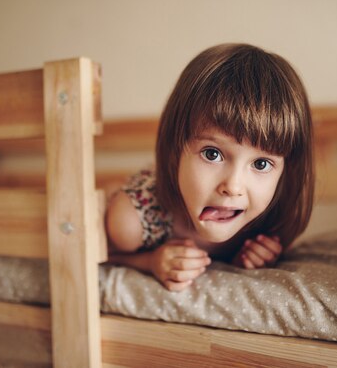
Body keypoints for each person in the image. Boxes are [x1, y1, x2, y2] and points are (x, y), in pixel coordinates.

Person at [106, 43, 314, 291]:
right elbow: (96, 254)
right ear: (175, 147)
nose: (233, 187)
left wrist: (247, 256)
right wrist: (149, 261)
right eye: (212, 154)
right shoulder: (134, 220)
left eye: (261, 163)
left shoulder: (270, 219)